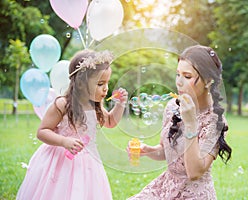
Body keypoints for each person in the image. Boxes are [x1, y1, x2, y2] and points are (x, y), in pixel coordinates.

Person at [17, 49, 128, 200]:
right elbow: (43, 131)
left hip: (87, 163)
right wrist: (64, 141)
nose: (106, 88)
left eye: (107, 83)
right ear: (81, 84)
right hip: (59, 160)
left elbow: (110, 122)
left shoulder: (95, 106)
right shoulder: (63, 104)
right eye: (100, 83)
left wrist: (120, 104)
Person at [128, 45, 232, 199]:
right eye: (178, 74)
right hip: (166, 188)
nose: (179, 82)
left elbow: (194, 172)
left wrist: (191, 124)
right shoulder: (172, 106)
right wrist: (148, 150)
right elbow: (167, 151)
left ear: (208, 80)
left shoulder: (215, 120)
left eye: (187, 76)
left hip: (193, 194)